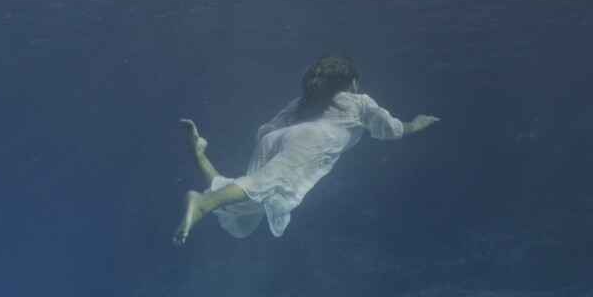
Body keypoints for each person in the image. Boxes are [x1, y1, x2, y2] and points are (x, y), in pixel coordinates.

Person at [173, 54, 439, 246]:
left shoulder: (303, 101)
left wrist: (281, 144)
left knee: (245, 216)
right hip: (315, 139)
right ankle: (203, 202)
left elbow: (263, 132)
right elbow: (392, 130)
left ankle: (198, 153)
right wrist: (415, 124)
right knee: (265, 186)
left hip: (276, 139)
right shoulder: (359, 102)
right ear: (353, 82)